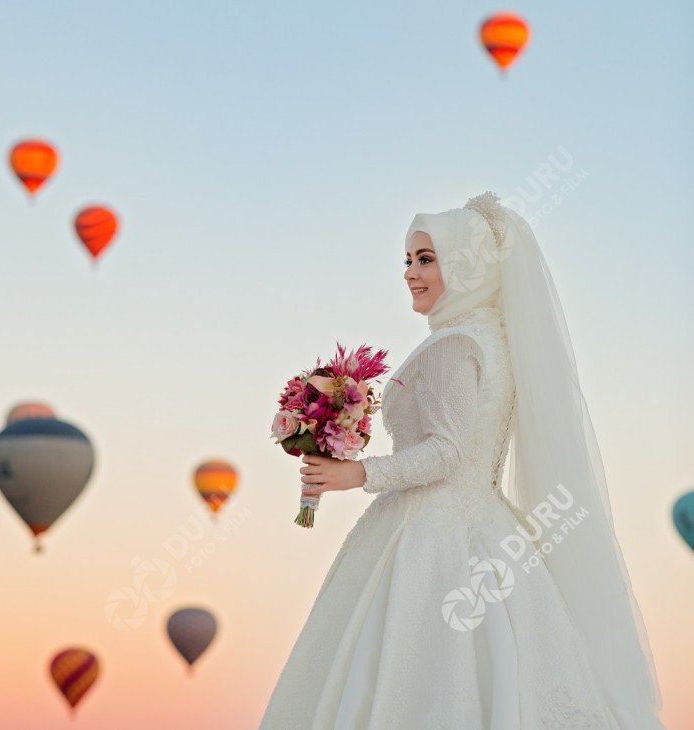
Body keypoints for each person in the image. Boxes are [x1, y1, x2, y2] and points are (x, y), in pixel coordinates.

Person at [259, 191, 666, 729]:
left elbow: (448, 452)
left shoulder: (453, 343)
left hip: (428, 535)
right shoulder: (498, 341)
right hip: (487, 528)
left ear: (467, 265)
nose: (410, 272)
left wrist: (357, 472)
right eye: (408, 259)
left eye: (427, 259)